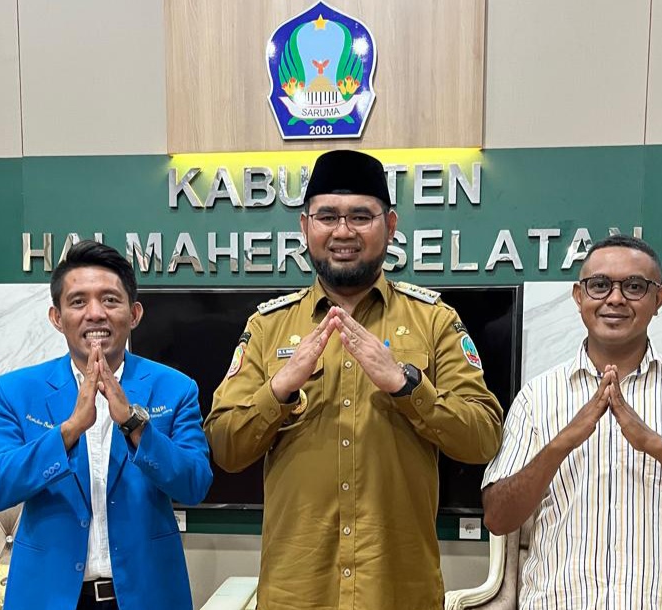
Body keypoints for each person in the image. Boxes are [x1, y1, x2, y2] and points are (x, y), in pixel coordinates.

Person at [205, 149, 503, 609]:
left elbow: (483, 438)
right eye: (327, 216)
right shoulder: (267, 327)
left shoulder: (435, 321)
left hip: (398, 593)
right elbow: (225, 448)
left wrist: (406, 386)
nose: (343, 231)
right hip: (297, 595)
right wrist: (280, 389)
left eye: (361, 216)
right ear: (305, 226)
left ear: (390, 225)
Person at [482, 234, 662, 610]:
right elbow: (497, 517)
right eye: (600, 285)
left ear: (659, 299)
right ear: (579, 296)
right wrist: (562, 443)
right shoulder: (537, 397)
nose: (616, 298)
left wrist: (655, 443)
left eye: (635, 286)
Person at [0, 241, 212, 610]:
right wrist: (69, 430)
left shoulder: (175, 388)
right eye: (78, 301)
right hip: (49, 599)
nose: (96, 313)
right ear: (57, 317)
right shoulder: (15, 391)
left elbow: (195, 484)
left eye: (110, 300)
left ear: (134, 314)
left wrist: (134, 425)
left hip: (147, 597)